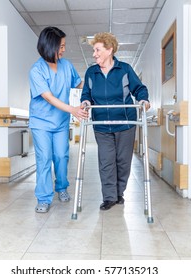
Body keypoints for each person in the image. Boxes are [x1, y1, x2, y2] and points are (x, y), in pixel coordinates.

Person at [81, 32, 150, 211]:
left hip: (125, 123)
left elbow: (139, 88)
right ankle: (110, 197)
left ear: (109, 49)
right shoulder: (91, 72)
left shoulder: (125, 69)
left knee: (123, 161)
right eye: (94, 50)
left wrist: (143, 100)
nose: (94, 54)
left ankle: (120, 192)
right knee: (106, 161)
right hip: (101, 124)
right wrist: (86, 102)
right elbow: (86, 93)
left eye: (97, 50)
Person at [29, 26, 88, 213]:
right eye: (61, 46)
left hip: (61, 122)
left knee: (62, 156)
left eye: (64, 46)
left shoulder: (67, 65)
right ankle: (44, 198)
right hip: (41, 122)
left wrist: (94, 81)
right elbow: (48, 96)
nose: (63, 49)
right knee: (44, 158)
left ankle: (61, 188)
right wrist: (73, 109)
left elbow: (78, 84)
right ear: (49, 46)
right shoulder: (36, 70)